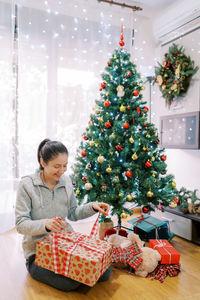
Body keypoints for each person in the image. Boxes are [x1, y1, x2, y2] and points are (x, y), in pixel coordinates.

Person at [15, 138, 111, 291]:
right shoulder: (27, 185)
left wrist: (92, 206)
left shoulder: (65, 181)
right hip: (38, 252)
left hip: (66, 244)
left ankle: (82, 277)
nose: (62, 171)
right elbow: (20, 224)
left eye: (65, 165)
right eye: (57, 166)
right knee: (70, 282)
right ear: (43, 162)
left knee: (105, 271)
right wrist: (46, 224)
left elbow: (73, 213)